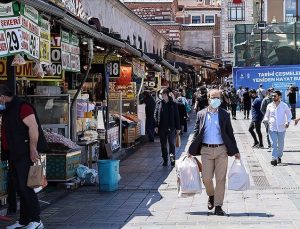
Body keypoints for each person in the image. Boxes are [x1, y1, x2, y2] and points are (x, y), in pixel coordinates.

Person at [0, 85, 47, 229]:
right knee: (19, 188)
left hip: (25, 153)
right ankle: (24, 220)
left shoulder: (22, 106)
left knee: (26, 187)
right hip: (13, 153)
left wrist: (33, 149)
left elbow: (33, 127)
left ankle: (36, 220)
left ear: (2, 97)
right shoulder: (7, 108)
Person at [188, 89, 240, 216]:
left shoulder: (224, 114)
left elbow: (230, 133)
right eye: (213, 97)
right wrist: (190, 150)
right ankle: (211, 195)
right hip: (206, 150)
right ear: (208, 98)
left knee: (221, 179)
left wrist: (235, 151)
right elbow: (196, 133)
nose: (215, 99)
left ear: (220, 99)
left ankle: (218, 206)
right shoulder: (201, 114)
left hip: (222, 150)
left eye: (217, 97)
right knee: (206, 178)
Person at [263, 90, 292, 166]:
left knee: (281, 144)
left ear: (279, 96)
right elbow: (266, 115)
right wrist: (265, 120)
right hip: (272, 127)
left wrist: (287, 122)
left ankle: (279, 156)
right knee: (273, 143)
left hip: (282, 128)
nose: (273, 97)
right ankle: (274, 158)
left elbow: (289, 115)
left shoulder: (284, 105)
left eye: (275, 96)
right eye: (272, 96)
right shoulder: (269, 105)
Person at [154, 88, 181, 166]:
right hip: (161, 127)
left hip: (171, 127)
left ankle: (172, 160)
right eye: (161, 94)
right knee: (163, 145)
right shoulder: (159, 103)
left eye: (162, 94)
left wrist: (178, 128)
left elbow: (177, 116)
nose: (161, 95)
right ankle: (165, 160)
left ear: (167, 94)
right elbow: (155, 114)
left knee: (171, 145)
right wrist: (156, 125)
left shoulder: (173, 104)